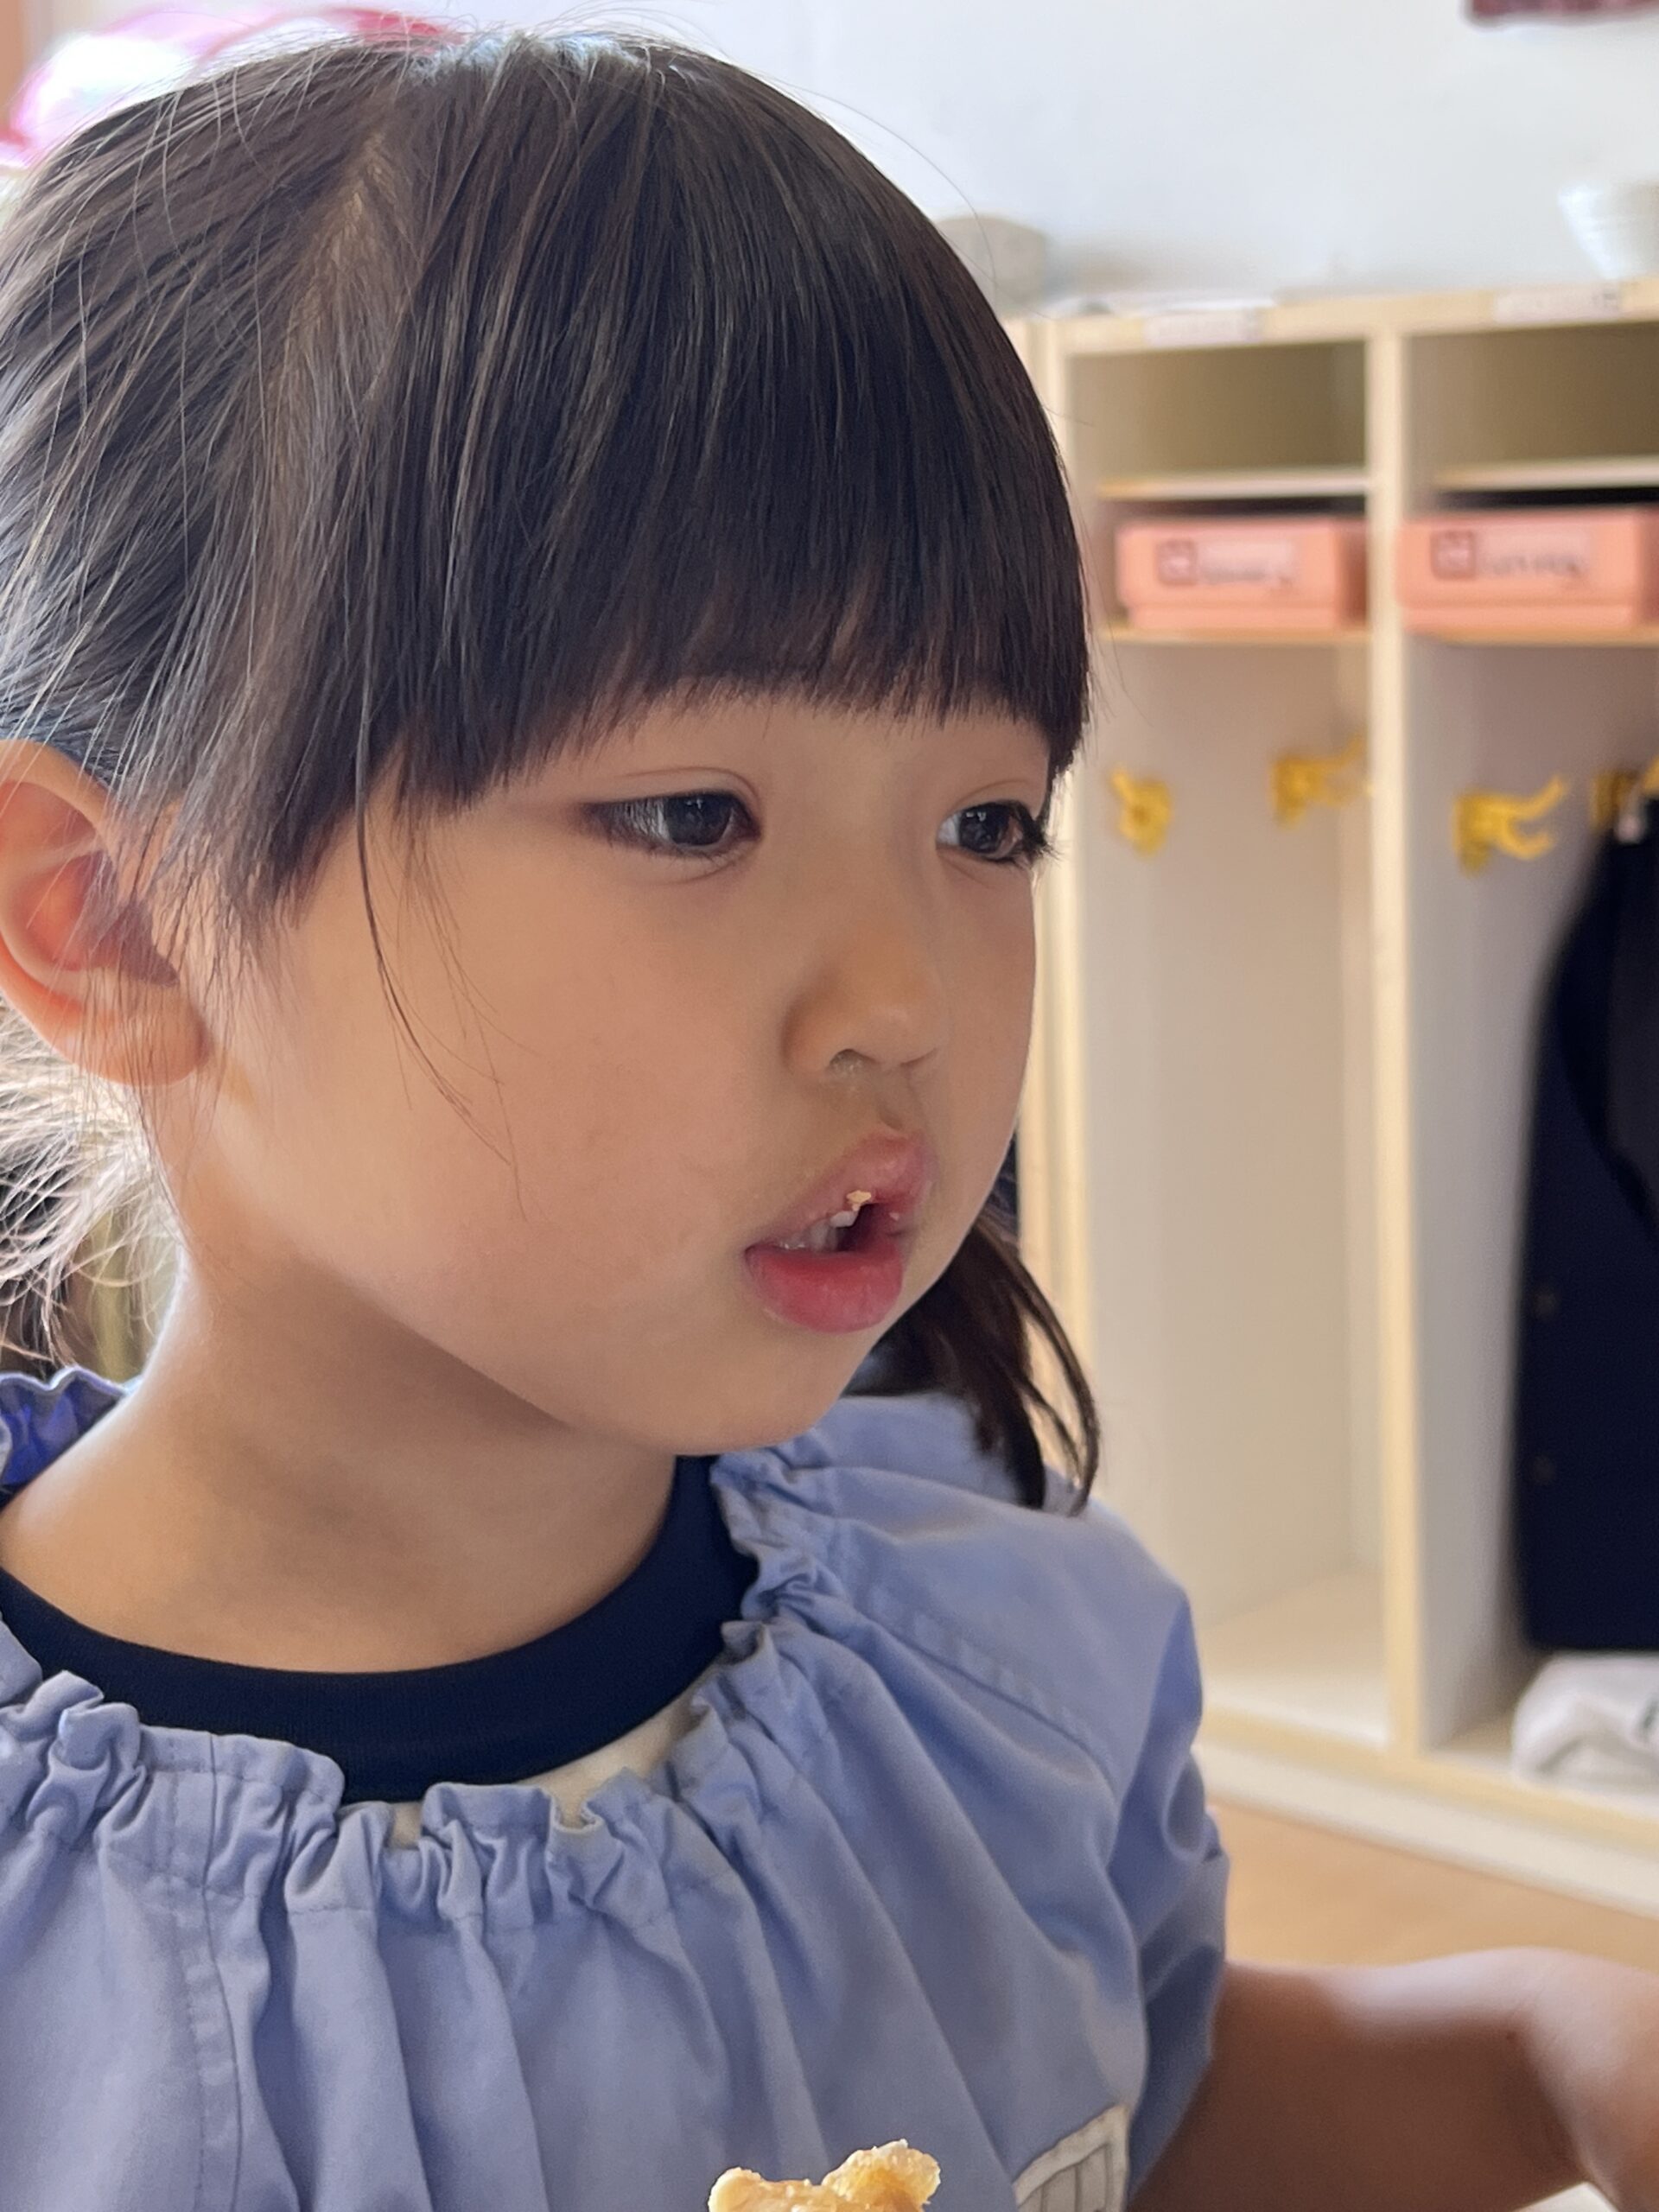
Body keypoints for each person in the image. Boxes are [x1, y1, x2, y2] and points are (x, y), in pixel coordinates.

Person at [0, 23, 1653, 2211]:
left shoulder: (971, 1640)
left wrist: (1540, 2054)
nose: (906, 1001)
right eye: (695, 812)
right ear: (115, 919)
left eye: (987, 823)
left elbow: (1120, 2102)